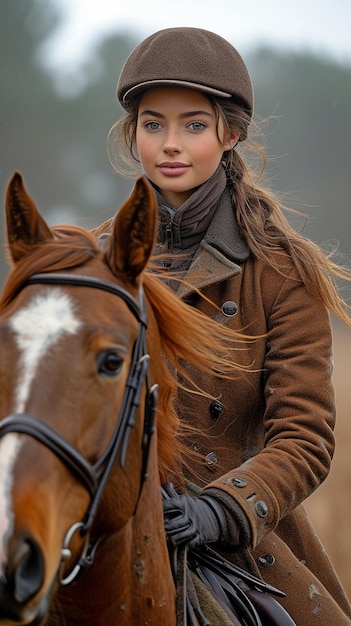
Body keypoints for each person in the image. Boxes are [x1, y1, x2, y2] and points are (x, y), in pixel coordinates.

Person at [98, 27, 351, 624]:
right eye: (153, 124)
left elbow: (305, 437)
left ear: (230, 134)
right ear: (133, 135)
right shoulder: (97, 265)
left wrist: (220, 511)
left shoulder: (283, 273)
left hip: (237, 542)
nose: (170, 144)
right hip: (98, 534)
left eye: (193, 124)